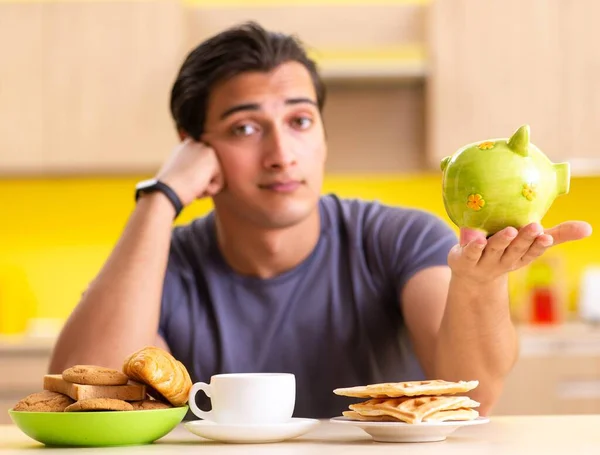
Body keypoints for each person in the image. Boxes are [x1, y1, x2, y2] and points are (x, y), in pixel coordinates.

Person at [49, 21, 591, 419]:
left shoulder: (399, 238)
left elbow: (476, 395)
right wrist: (161, 195)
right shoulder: (160, 264)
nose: (282, 153)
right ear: (195, 149)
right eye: (244, 128)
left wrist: (477, 285)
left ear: (323, 136)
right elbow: (85, 396)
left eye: (301, 120)